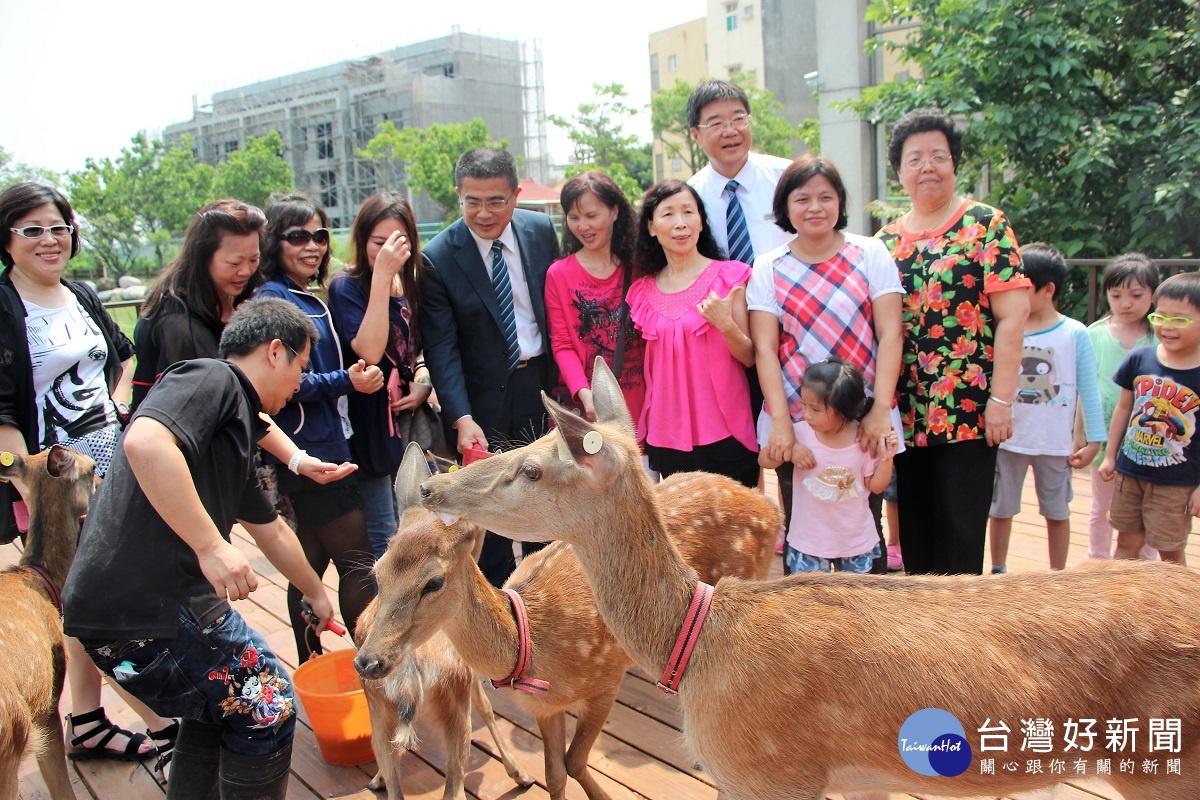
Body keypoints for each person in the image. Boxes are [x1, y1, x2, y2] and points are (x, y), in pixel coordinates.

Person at [62, 298, 338, 800]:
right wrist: (212, 546)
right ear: (275, 352)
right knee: (268, 701)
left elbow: (271, 531)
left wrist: (316, 595)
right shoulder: (211, 377)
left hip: (116, 615)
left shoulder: (231, 434)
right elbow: (144, 443)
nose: (301, 381)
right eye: (301, 366)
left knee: (219, 705)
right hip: (149, 609)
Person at [0, 182, 177, 770]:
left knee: (81, 605)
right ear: (7, 240)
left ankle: (85, 720)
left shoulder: (78, 294)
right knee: (96, 602)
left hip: (108, 459)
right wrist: (27, 478)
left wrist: (118, 407)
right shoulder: (4, 308)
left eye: (58, 227)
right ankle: (163, 724)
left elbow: (122, 354)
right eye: (33, 230)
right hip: (56, 480)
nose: (50, 240)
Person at [876, 107, 1030, 575]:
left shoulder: (985, 225)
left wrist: (1001, 401)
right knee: (916, 534)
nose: (927, 167)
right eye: (915, 158)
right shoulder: (884, 242)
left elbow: (1012, 317)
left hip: (969, 409)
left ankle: (967, 642)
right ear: (899, 170)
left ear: (954, 164)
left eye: (938, 156)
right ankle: (928, 643)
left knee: (962, 532)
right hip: (907, 411)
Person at [748, 154, 904, 573]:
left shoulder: (869, 253)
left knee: (864, 517)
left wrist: (880, 411)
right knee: (803, 521)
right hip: (801, 422)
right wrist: (781, 421)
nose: (815, 207)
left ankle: (866, 625)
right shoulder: (769, 266)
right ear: (785, 205)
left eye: (825, 197)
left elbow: (890, 333)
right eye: (802, 198)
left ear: (840, 202)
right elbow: (765, 349)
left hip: (862, 417)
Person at [133, 199, 353, 486]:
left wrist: (296, 458)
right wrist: (296, 459)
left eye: (253, 260)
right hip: (180, 467)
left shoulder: (239, 298)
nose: (246, 272)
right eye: (235, 263)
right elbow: (230, 405)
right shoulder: (177, 322)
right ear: (203, 257)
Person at [420, 147, 560, 586]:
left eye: (496, 200)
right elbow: (441, 347)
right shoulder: (439, 256)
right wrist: (461, 417)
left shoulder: (540, 231)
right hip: (482, 405)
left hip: (540, 387)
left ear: (516, 196)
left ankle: (550, 604)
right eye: (472, 201)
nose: (484, 213)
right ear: (458, 196)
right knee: (493, 515)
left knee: (549, 502)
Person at [254, 196, 380, 659]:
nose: (313, 245)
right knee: (357, 562)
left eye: (321, 235)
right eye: (298, 236)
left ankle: (310, 661)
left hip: (319, 441)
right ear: (275, 242)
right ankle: (375, 663)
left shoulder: (300, 292)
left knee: (310, 562)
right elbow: (285, 380)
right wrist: (345, 380)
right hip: (309, 446)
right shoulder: (274, 297)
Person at [627, 180, 758, 487]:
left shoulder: (732, 276)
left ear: (701, 221)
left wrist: (725, 323)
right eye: (668, 214)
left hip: (726, 431)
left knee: (733, 529)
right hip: (667, 434)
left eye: (688, 212)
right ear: (651, 226)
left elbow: (751, 357)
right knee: (684, 531)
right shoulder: (641, 292)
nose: (680, 223)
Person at [986, 243, 1106, 573]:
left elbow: (1089, 389)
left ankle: (1058, 577)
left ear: (1047, 289)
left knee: (1057, 511)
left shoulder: (1074, 333)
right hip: (1008, 437)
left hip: (1054, 443)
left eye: (1022, 287)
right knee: (1001, 508)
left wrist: (1093, 441)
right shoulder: (1006, 327)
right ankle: (997, 570)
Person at [327, 191, 428, 559]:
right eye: (377, 242)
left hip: (404, 414)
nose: (387, 251)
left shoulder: (414, 281)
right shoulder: (347, 286)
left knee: (411, 515)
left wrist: (422, 382)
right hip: (368, 417)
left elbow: (419, 347)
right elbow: (368, 351)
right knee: (383, 526)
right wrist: (382, 277)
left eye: (396, 241)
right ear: (362, 240)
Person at [1099, 271, 1200, 566]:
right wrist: (1110, 455)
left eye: (1179, 319)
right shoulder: (1140, 359)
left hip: (1177, 481)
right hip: (1131, 472)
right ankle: (1119, 605)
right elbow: (1123, 409)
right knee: (1126, 542)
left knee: (1169, 551)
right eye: (1160, 317)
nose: (1167, 327)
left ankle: (1182, 609)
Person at [758, 359, 897, 573]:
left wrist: (887, 458)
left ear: (843, 410)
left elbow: (876, 486)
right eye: (804, 405)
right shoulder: (800, 434)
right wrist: (791, 451)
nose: (806, 414)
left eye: (815, 408)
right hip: (809, 543)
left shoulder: (862, 440)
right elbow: (764, 461)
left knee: (853, 603)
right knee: (811, 604)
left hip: (854, 543)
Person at [545, 170, 645, 424]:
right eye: (574, 217)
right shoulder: (559, 274)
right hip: (593, 412)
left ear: (614, 211)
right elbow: (562, 343)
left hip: (647, 406)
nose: (583, 226)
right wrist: (585, 393)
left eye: (591, 216)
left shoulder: (642, 268)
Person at [1083, 252, 1160, 560]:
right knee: (1101, 507)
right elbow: (1084, 388)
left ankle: (1146, 566)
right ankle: (1098, 561)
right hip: (1103, 436)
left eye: (1136, 295)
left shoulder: (1161, 338)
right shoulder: (1095, 334)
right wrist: (1081, 435)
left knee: (1146, 509)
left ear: (1153, 295)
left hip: (1148, 439)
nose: (1125, 302)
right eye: (1116, 295)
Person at [686, 79, 794, 265]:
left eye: (738, 119)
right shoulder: (690, 197)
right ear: (696, 135)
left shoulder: (788, 178)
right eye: (717, 124)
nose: (730, 131)